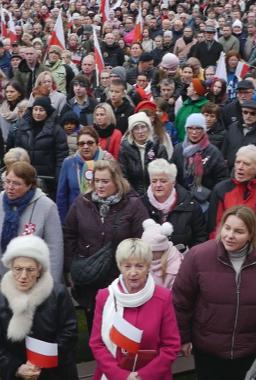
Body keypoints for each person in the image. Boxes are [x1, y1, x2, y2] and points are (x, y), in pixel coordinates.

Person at [174, 206, 256, 379]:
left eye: (238, 231)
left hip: (250, 350)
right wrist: (183, 338)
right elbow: (181, 301)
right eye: (226, 228)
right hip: (208, 349)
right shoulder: (198, 256)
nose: (229, 235)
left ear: (251, 234)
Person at [62, 159, 149, 329]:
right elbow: (68, 234)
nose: (100, 186)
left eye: (105, 181)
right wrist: (72, 265)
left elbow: (142, 240)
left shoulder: (133, 205)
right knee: (95, 329)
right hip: (89, 280)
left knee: (122, 331)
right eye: (96, 181)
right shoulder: (82, 203)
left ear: (116, 181)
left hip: (121, 280)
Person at [0, 235, 78, 379]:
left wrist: (42, 361)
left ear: (39, 270)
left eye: (30, 270)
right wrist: (17, 368)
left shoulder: (57, 293)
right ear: (10, 267)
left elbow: (69, 332)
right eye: (18, 269)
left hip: (57, 371)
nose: (23, 275)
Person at [90, 238, 181, 380]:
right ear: (120, 266)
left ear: (148, 266)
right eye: (127, 266)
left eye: (139, 266)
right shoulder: (105, 296)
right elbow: (97, 343)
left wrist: (142, 376)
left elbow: (171, 346)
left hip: (153, 376)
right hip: (112, 375)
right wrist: (121, 376)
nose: (133, 272)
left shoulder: (163, 297)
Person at [0, 161, 64, 291]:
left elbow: (55, 250)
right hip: (2, 281)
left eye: (16, 183)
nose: (10, 187)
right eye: (7, 181)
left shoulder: (47, 207)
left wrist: (50, 284)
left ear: (29, 185)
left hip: (35, 285)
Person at [209, 145, 256, 252]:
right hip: (227, 250)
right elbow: (215, 228)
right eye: (237, 162)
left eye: (246, 164)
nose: (239, 167)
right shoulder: (221, 190)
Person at [141, 159, 208, 250]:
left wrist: (190, 259)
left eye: (163, 181)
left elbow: (200, 238)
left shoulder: (191, 205)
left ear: (173, 183)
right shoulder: (141, 205)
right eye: (154, 181)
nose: (158, 185)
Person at [7, 97, 68, 194]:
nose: (37, 113)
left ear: (47, 111)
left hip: (48, 177)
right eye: (35, 109)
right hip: (25, 175)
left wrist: (58, 177)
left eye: (41, 110)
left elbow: (61, 156)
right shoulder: (23, 127)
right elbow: (17, 150)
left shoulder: (56, 130)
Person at [56, 126, 115, 221]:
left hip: (103, 218)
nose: (85, 147)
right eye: (81, 144)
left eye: (90, 143)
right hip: (76, 217)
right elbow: (61, 196)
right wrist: (63, 222)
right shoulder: (69, 163)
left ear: (97, 144)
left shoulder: (107, 161)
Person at [172, 113, 229, 197]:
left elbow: (221, 179)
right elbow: (172, 174)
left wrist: (211, 196)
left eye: (198, 128)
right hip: (181, 196)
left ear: (204, 130)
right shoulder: (178, 149)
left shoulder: (213, 152)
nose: (194, 132)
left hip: (204, 198)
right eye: (190, 128)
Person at [119, 112, 169, 194]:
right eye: (136, 128)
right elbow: (123, 177)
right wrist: (134, 196)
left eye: (143, 127)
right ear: (131, 131)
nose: (140, 131)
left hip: (156, 194)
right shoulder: (124, 150)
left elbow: (165, 174)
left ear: (148, 128)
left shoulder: (159, 148)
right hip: (133, 196)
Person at [141, 218, 184, 289]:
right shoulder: (144, 261)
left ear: (161, 249)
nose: (146, 254)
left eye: (151, 251)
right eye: (145, 250)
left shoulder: (175, 268)